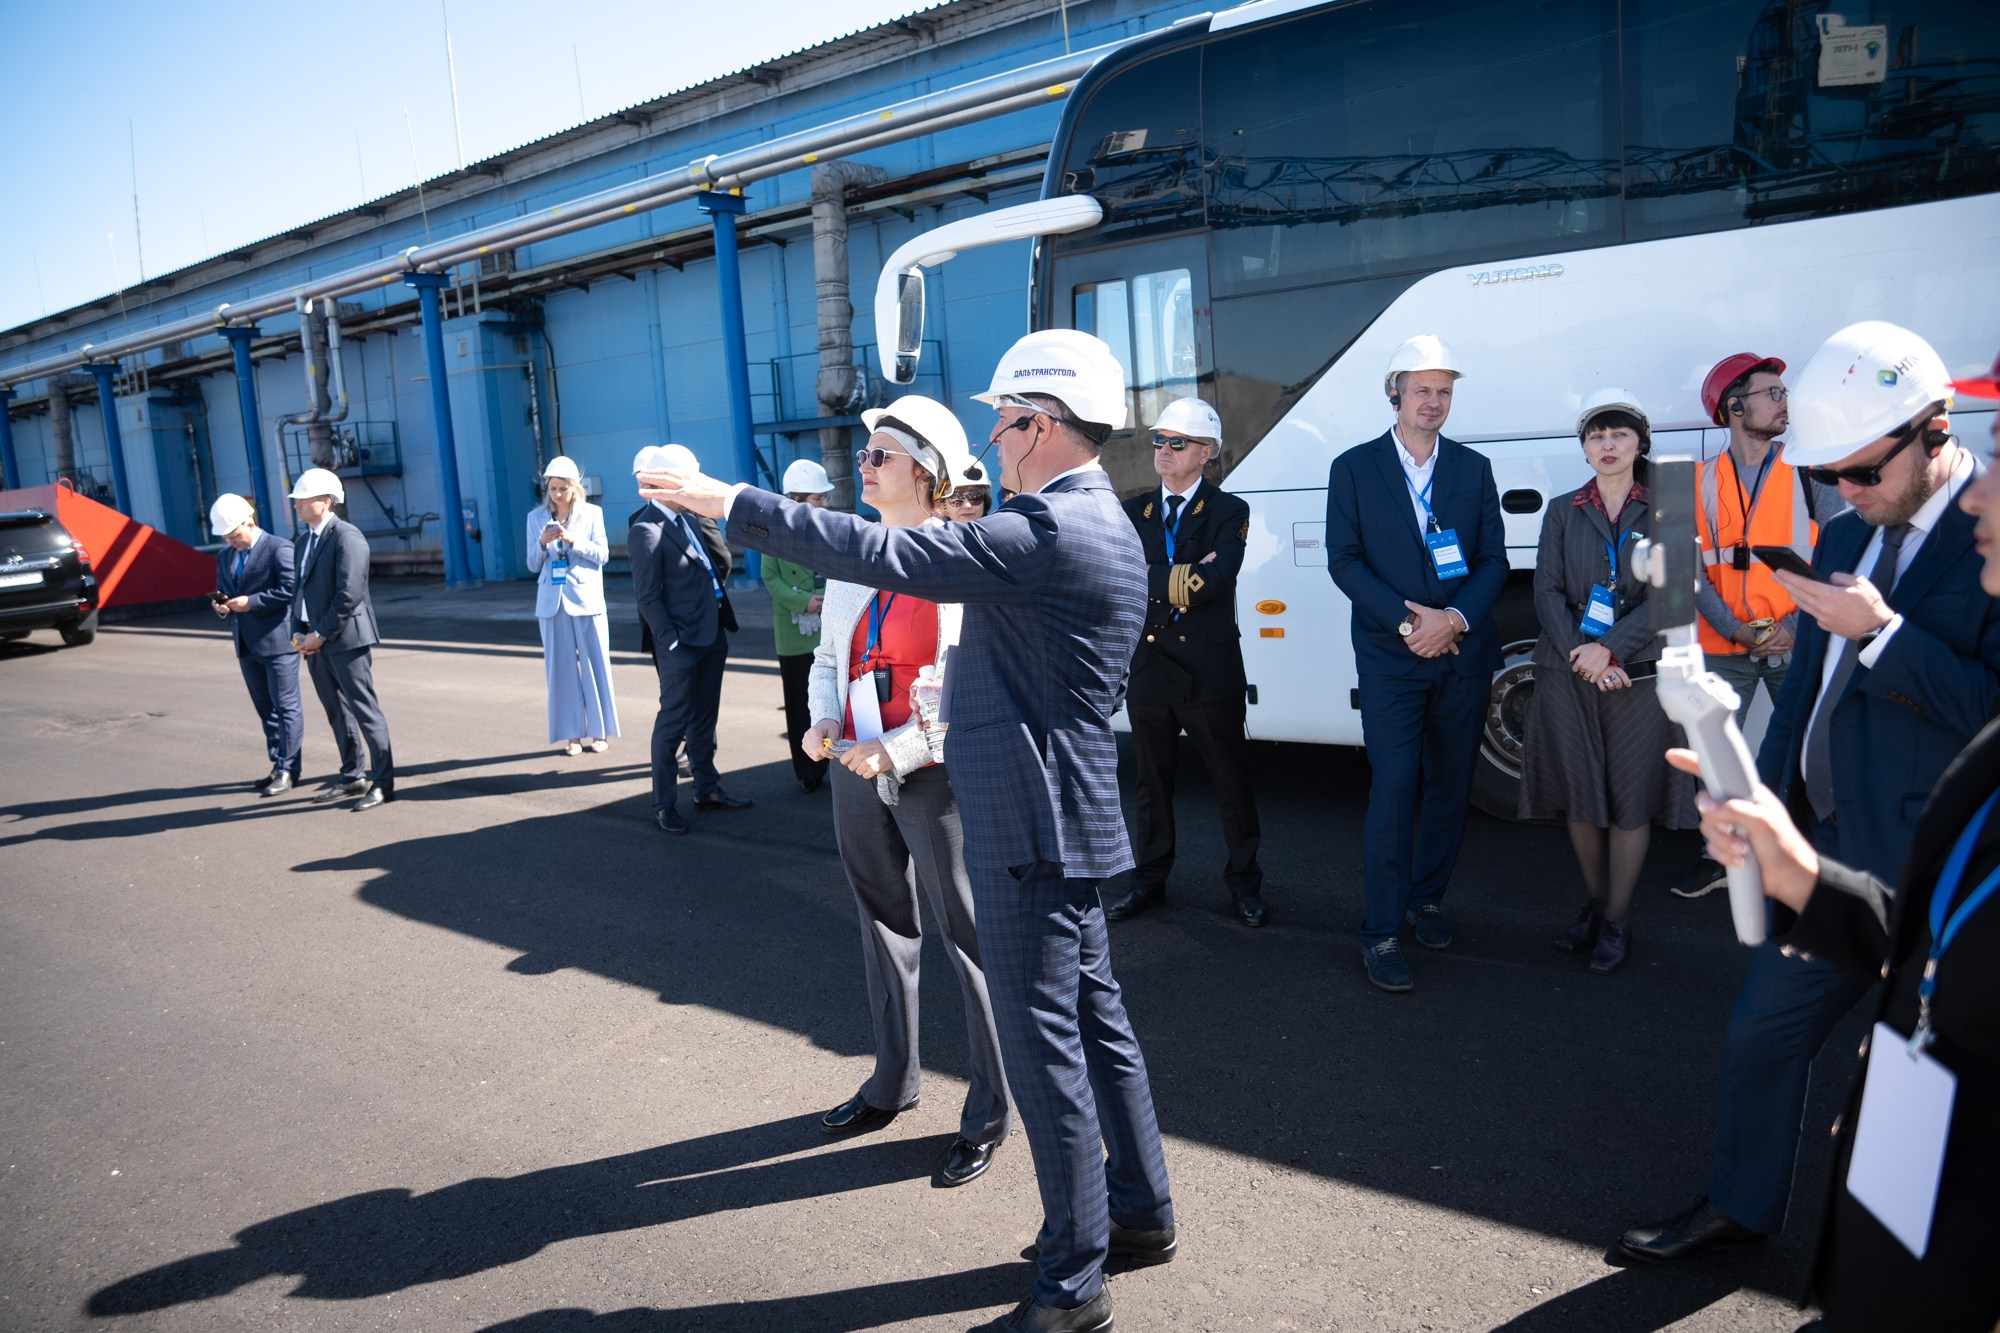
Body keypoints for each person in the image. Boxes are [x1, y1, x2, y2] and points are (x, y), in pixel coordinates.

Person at [640, 329, 1175, 1333]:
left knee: (1045, 1048)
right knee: (1096, 1027)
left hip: (1027, 825)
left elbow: (884, 549)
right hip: (1063, 817)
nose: (991, 437)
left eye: (1000, 419)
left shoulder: (1049, 528)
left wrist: (726, 502)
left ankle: (1072, 1281)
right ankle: (1137, 1211)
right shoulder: (1095, 519)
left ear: (1037, 424)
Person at [1617, 322, 2000, 1267]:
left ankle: (1885, 1298)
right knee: (1759, 1035)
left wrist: (1887, 636)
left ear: (1933, 429)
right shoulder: (1842, 531)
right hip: (1834, 853)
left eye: (1865, 472)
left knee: (1909, 1101)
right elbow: (1814, 697)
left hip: (1941, 877)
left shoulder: (1988, 534)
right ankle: (1744, 1208)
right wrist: (1754, 786)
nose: (1851, 494)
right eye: (1836, 475)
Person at [804, 395, 1011, 1190]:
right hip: (855, 765)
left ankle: (989, 1110)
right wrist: (824, 718)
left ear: (922, 472)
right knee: (882, 923)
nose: (864, 464)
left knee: (969, 938)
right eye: (862, 455)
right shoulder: (854, 558)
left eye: (878, 454)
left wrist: (896, 749)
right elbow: (831, 657)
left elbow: (968, 693)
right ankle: (893, 1081)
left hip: (932, 773)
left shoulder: (958, 565)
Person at [1325, 334, 1508, 993]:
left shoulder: (1473, 467)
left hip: (1461, 653)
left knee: (1450, 786)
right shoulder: (1353, 468)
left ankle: (1427, 898)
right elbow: (1343, 560)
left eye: (1444, 391)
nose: (1434, 401)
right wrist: (1410, 623)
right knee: (1396, 784)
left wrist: (1453, 620)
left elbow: (1494, 560)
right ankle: (1381, 931)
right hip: (1392, 657)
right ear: (1394, 392)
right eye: (1422, 389)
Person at [1519, 390, 1696, 973]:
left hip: (1638, 676)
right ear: (1585, 448)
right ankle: (1593, 906)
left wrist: (1610, 649)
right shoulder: (1563, 507)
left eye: (1618, 434)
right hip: (1569, 674)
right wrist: (1581, 653)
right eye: (1596, 436)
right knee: (1581, 799)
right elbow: (1544, 590)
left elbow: (1670, 596)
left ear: (1639, 442)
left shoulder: (1669, 504)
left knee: (1628, 802)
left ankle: (1617, 919)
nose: (1607, 445)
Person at [1667, 352, 1839, 900]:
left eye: (1783, 394)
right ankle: (1719, 857)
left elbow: (1840, 555)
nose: (1784, 402)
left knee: (1815, 750)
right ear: (1734, 406)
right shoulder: (1688, 482)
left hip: (1799, 637)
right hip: (1723, 645)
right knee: (1716, 761)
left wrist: (1790, 622)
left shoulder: (1811, 472)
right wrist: (1739, 631)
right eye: (1773, 393)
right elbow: (1682, 574)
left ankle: (1812, 854)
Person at [1105, 396, 1267, 928]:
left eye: (1178, 443)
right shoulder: (1133, 512)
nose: (1164, 451)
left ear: (1208, 453)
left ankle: (1244, 884)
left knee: (1231, 783)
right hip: (1151, 668)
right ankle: (1149, 880)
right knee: (1151, 785)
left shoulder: (1231, 511)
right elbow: (1120, 580)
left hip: (1208, 670)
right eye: (1159, 440)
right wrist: (1179, 575)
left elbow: (1213, 583)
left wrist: (1156, 577)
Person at [627, 444, 751, 835]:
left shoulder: (690, 520)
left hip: (712, 634)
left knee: (704, 718)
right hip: (681, 644)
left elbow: (713, 565)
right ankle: (664, 803)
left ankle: (706, 788)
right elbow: (648, 596)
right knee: (673, 723)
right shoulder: (645, 530)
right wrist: (671, 642)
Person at [288, 467, 394, 811]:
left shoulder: (348, 537)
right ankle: (352, 775)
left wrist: (319, 634)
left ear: (327, 501)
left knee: (364, 710)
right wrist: (298, 629)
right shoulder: (303, 540)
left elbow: (349, 594)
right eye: (296, 499)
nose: (297, 505)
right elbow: (300, 591)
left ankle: (382, 783)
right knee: (336, 711)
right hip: (314, 642)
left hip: (345, 640)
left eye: (304, 499)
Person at [209, 493, 302, 797]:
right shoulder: (225, 556)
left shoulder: (279, 548)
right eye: (227, 538)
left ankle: (288, 770)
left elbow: (289, 590)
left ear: (250, 522)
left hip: (278, 642)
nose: (232, 542)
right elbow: (223, 590)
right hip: (246, 644)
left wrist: (251, 602)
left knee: (285, 707)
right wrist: (222, 606)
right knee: (267, 710)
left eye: (235, 536)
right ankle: (278, 764)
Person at [525, 456, 619, 756]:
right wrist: (541, 543)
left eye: (562, 489)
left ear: (574, 489)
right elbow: (531, 564)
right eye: (552, 489)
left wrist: (573, 540)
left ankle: (599, 731)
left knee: (595, 665)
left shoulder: (592, 514)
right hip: (552, 602)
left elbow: (603, 554)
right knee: (561, 669)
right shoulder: (535, 518)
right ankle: (572, 735)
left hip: (586, 598)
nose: (556, 495)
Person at [766, 459, 834, 793]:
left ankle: (836, 757)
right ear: (795, 500)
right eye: (816, 498)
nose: (824, 504)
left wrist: (819, 597)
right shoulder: (774, 533)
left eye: (824, 498)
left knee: (832, 699)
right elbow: (770, 577)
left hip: (827, 626)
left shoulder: (829, 528)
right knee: (798, 703)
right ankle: (808, 769)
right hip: (793, 632)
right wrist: (801, 601)